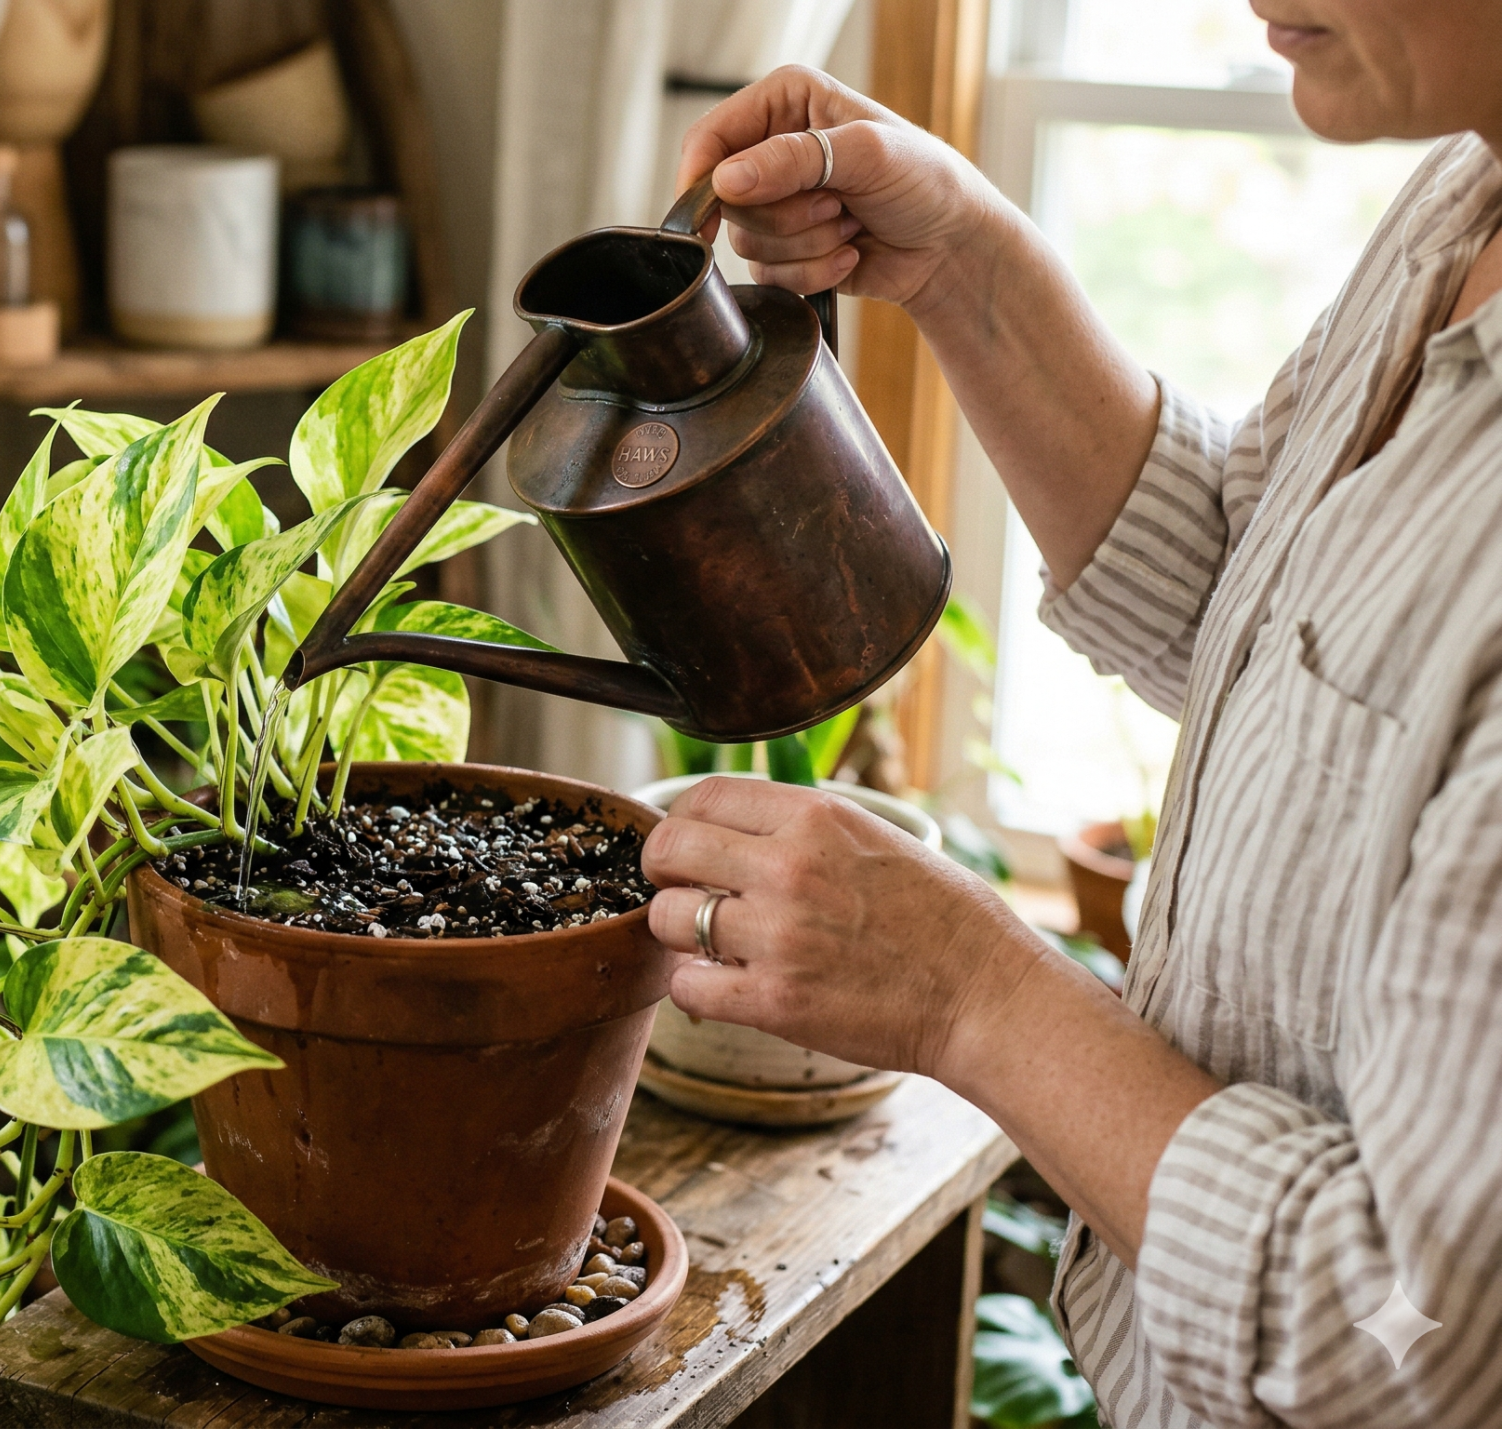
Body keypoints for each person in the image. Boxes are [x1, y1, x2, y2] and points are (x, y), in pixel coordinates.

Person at [639, 4, 1502, 1425]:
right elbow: (1264, 619)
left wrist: (967, 991)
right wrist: (965, 266)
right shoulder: (1464, 194)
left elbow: (1404, 1340)